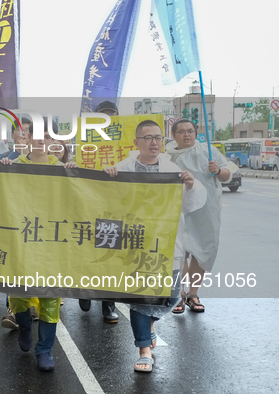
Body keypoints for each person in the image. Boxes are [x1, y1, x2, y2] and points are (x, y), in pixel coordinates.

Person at [103, 119, 206, 372]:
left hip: (167, 244)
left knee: (169, 296)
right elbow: (104, 202)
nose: (153, 142)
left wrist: (190, 185)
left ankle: (150, 326)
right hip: (136, 245)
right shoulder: (123, 168)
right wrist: (108, 178)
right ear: (136, 142)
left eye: (158, 138)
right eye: (147, 138)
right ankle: (144, 350)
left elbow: (191, 204)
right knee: (141, 298)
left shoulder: (173, 170)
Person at [0, 118, 78, 372]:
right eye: (36, 135)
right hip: (21, 242)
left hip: (52, 243)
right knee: (20, 296)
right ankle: (23, 325)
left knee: (51, 299)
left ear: (53, 141)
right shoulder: (14, 166)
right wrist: (2, 171)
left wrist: (78, 175)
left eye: (46, 136)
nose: (41, 140)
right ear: (27, 137)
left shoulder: (63, 168)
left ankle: (44, 350)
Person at [165, 119, 237, 313]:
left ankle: (193, 293)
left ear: (196, 133)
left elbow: (228, 172)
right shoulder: (166, 156)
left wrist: (218, 170)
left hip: (206, 209)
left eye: (190, 131)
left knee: (202, 251)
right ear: (173, 135)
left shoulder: (209, 151)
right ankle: (178, 293)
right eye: (181, 131)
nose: (186, 134)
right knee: (178, 252)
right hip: (177, 209)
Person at [78, 100, 119, 323]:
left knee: (109, 257)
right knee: (88, 254)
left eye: (112, 115)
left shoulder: (127, 144)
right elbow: (77, 167)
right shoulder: (86, 141)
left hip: (115, 208)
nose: (109, 119)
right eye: (104, 116)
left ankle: (108, 305)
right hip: (88, 206)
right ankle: (85, 290)